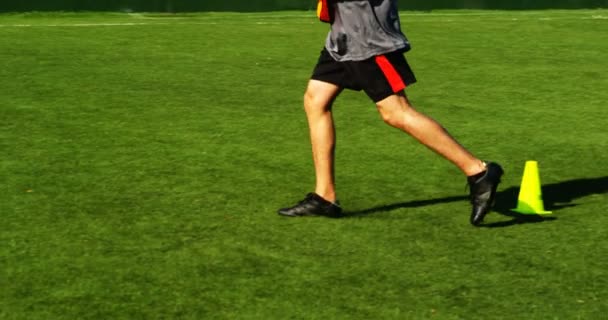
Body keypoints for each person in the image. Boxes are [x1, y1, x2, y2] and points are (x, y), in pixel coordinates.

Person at [278, 0, 503, 226]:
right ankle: (324, 196)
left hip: (368, 38)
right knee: (315, 99)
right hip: (343, 37)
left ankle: (477, 171)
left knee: (395, 111)